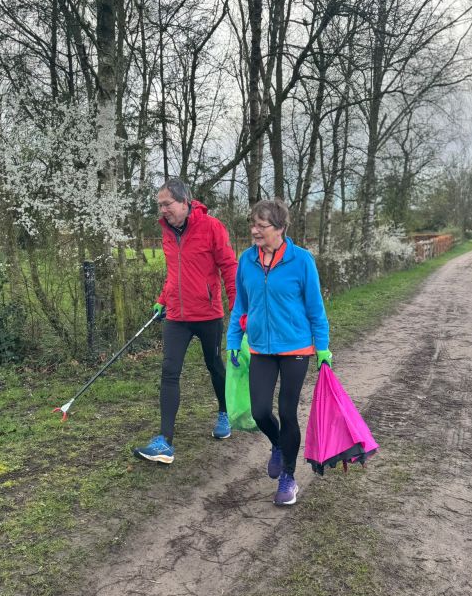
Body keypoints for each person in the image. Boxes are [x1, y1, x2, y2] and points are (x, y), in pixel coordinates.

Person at [226, 199, 331, 506]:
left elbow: (315, 308)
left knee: (287, 412)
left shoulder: (301, 260)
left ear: (280, 228)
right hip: (260, 347)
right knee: (260, 411)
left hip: (295, 347)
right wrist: (233, 340)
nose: (254, 230)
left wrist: (323, 347)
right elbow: (240, 305)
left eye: (261, 225)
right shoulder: (247, 260)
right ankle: (278, 445)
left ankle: (288, 477)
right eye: (253, 224)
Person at [133, 177, 238, 465]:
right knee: (169, 371)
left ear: (184, 202)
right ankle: (164, 442)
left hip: (208, 313)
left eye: (167, 204)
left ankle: (225, 412)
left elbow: (229, 267)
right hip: (177, 316)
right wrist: (163, 299)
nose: (162, 210)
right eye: (159, 205)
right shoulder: (167, 231)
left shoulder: (212, 227)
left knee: (214, 364)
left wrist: (238, 306)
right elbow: (174, 273)